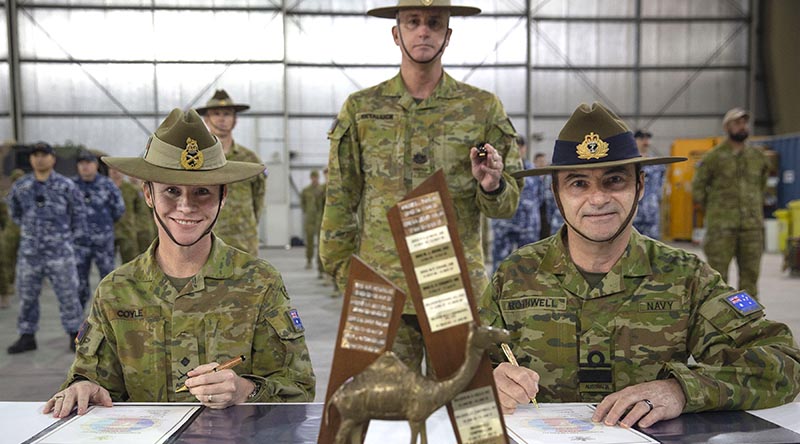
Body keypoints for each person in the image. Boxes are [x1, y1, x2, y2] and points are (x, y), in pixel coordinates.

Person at [480, 102, 800, 429]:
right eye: (578, 183)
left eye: (614, 180)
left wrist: (682, 390)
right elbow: (452, 367)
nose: (598, 199)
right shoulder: (516, 275)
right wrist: (488, 380)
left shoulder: (685, 276)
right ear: (556, 193)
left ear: (640, 186)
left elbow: (783, 361)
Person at [43, 109, 315, 418]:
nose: (186, 206)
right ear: (148, 194)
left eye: (203, 192)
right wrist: (83, 387)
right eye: (171, 190)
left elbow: (299, 388)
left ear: (223, 196)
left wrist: (245, 390)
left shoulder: (259, 282)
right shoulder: (117, 290)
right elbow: (94, 380)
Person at [320, 0, 522, 368]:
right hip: (381, 285)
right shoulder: (362, 108)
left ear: (448, 34)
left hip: (454, 286)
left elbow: (507, 205)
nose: (423, 30)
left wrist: (492, 184)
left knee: (463, 404)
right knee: (384, 413)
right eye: (413, 22)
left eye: (434, 22)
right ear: (396, 33)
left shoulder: (481, 108)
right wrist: (342, 272)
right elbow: (340, 198)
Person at [7, 143, 88, 354]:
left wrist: (66, 240)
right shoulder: (21, 186)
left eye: (44, 155)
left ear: (53, 159)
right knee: (27, 296)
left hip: (60, 252)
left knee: (69, 294)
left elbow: (78, 216)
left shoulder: (66, 186)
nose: (39, 159)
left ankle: (75, 336)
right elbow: (14, 213)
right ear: (31, 159)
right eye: (35, 155)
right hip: (30, 254)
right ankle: (27, 336)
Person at [692, 108, 768, 298]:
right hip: (721, 228)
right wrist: (716, 210)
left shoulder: (758, 158)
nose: (742, 126)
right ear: (727, 127)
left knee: (750, 277)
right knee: (718, 279)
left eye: (744, 122)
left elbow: (761, 186)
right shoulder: (713, 157)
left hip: (751, 227)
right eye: (737, 123)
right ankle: (720, 322)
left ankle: (748, 322)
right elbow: (698, 188)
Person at [196, 89, 266, 256]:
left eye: (227, 114)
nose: (222, 119)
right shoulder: (196, 159)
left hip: (244, 243)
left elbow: (258, 199)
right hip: (204, 242)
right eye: (216, 113)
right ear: (206, 119)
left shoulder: (249, 159)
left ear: (235, 120)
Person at [72, 150, 125, 308]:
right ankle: (78, 319)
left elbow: (119, 209)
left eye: (88, 163)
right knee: (78, 281)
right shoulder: (71, 186)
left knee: (107, 279)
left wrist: (103, 226)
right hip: (79, 243)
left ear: (95, 165)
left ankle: (108, 313)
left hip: (103, 242)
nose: (85, 167)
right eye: (81, 164)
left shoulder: (107, 185)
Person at [491, 137, 544, 271]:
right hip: (504, 223)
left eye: (520, 147)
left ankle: (528, 290)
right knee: (501, 264)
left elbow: (540, 195)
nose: (518, 150)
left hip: (528, 225)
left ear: (524, 149)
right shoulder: (499, 169)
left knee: (528, 263)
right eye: (515, 147)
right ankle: (499, 291)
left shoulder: (532, 170)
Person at [632, 130, 666, 239]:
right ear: (635, 140)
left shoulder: (657, 164)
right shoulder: (629, 164)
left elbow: (660, 186)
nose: (645, 142)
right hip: (633, 211)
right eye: (642, 139)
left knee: (652, 245)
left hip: (651, 212)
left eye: (647, 138)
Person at [109, 166, 146, 263]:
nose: (115, 172)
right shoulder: (104, 188)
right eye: (112, 169)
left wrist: (137, 227)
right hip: (109, 231)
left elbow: (140, 211)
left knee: (130, 262)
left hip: (127, 230)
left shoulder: (132, 189)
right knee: (107, 263)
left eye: (118, 170)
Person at [0, 169, 25, 309]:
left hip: (23, 233)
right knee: (8, 261)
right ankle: (9, 287)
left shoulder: (29, 194)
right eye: (15, 180)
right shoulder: (6, 195)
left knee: (19, 262)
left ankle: (8, 290)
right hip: (10, 233)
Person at [300, 170, 325, 272]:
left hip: (319, 218)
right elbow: (303, 203)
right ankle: (309, 260)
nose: (314, 179)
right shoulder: (306, 190)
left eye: (316, 177)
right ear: (311, 178)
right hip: (310, 219)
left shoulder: (322, 189)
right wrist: (307, 211)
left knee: (320, 243)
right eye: (313, 177)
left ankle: (321, 265)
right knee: (309, 241)